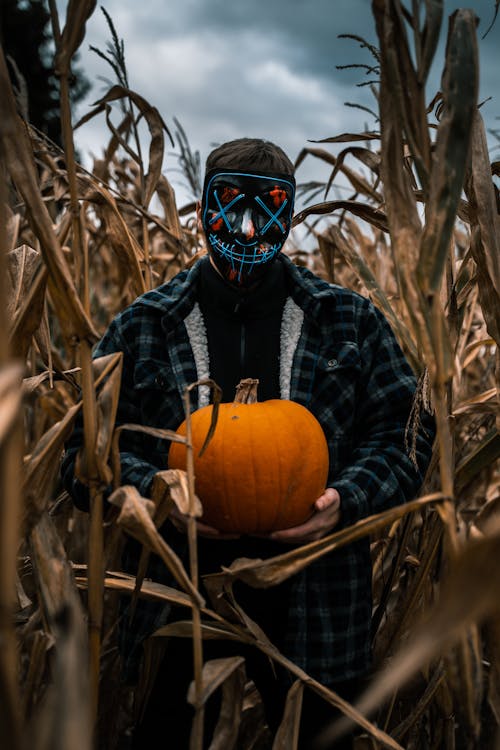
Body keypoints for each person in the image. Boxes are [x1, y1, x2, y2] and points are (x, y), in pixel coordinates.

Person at [62, 137, 435, 749]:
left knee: (325, 736)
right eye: (229, 202)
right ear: (203, 208)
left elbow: (410, 434)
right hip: (175, 596)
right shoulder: (144, 326)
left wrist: (347, 499)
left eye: (268, 206)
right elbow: (84, 454)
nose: (245, 223)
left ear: (289, 214)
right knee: (166, 734)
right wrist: (156, 495)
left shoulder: (349, 321)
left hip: (316, 596)